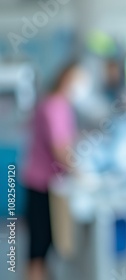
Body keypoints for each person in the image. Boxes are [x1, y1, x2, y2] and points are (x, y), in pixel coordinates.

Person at [21, 61, 81, 280]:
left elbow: (67, 142)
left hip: (52, 184)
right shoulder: (53, 105)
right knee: (39, 246)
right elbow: (59, 150)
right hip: (41, 184)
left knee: (50, 245)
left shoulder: (62, 105)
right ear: (67, 78)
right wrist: (82, 174)